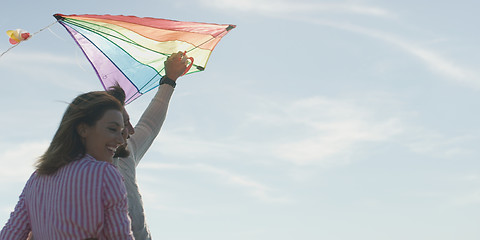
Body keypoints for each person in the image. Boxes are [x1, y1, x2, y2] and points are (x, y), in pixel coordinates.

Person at [0, 91, 134, 239]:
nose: (120, 140)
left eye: (121, 131)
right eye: (112, 129)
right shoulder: (105, 174)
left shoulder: (36, 178)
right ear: (83, 129)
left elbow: (10, 235)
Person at [107, 51, 188, 239]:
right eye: (123, 124)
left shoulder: (125, 151)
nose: (131, 130)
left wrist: (169, 79)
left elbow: (149, 125)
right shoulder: (72, 173)